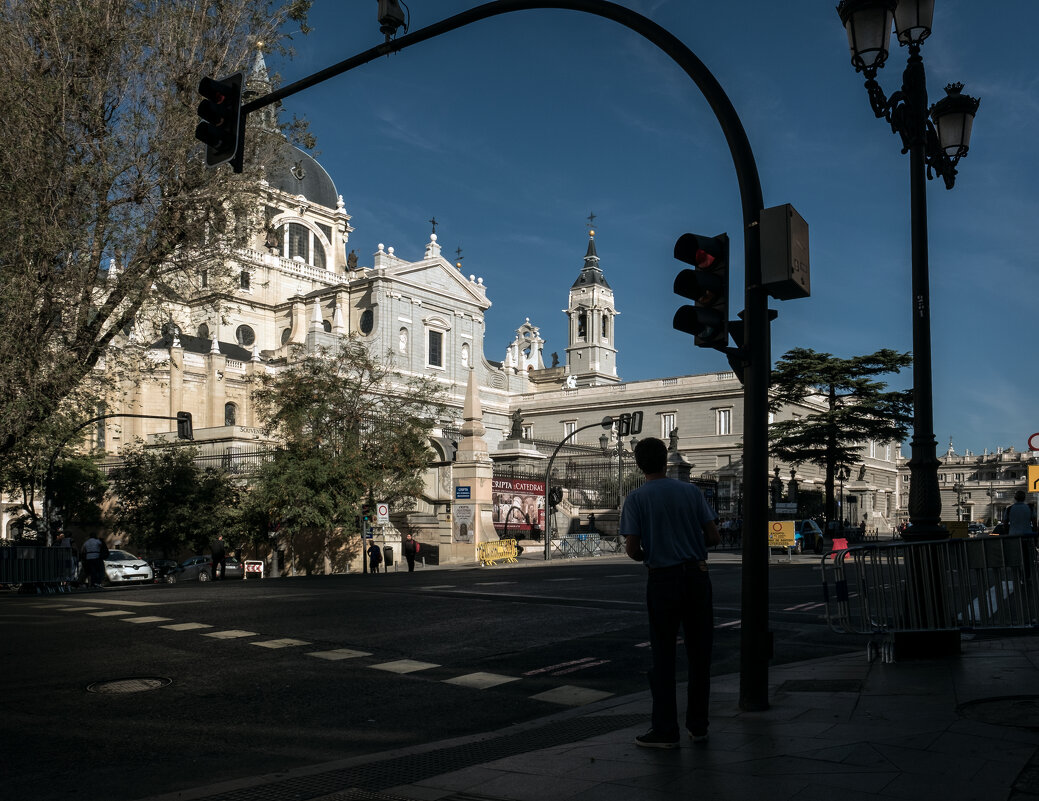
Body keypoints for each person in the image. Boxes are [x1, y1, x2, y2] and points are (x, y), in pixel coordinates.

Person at [620, 437, 720, 749]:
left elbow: (633, 550)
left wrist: (657, 549)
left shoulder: (636, 498)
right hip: (697, 577)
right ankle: (698, 726)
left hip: (662, 579)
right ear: (666, 461)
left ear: (639, 465)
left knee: (663, 656)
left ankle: (665, 729)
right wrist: (688, 546)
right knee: (699, 655)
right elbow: (714, 537)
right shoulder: (691, 491)